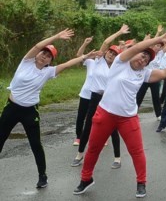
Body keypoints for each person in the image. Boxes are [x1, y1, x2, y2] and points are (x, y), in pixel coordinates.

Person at [73, 29, 166, 198]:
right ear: (134, 55)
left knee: (137, 151)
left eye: (147, 59)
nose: (143, 59)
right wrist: (158, 39)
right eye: (142, 55)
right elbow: (136, 48)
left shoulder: (144, 73)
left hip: (128, 118)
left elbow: (164, 73)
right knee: (93, 148)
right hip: (105, 113)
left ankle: (141, 183)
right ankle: (86, 179)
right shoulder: (120, 62)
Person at [0, 29, 95, 188]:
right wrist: (57, 36)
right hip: (11, 108)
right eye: (43, 53)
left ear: (50, 61)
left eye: (48, 56)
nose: (44, 56)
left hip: (30, 111)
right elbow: (37, 45)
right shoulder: (26, 62)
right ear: (38, 55)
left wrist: (85, 56)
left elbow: (66, 64)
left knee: (35, 144)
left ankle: (42, 176)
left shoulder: (49, 72)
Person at [71, 24, 131, 169]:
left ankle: (117, 158)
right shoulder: (98, 61)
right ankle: (79, 155)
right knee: (88, 126)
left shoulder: (118, 66)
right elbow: (105, 43)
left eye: (114, 54)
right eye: (110, 52)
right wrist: (119, 32)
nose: (111, 55)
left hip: (109, 99)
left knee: (113, 129)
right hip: (95, 97)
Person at [72, 36, 94, 145]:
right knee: (81, 116)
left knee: (96, 118)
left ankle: (97, 136)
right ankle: (78, 137)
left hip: (99, 96)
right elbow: (79, 56)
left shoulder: (109, 66)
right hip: (86, 94)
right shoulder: (91, 62)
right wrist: (85, 43)